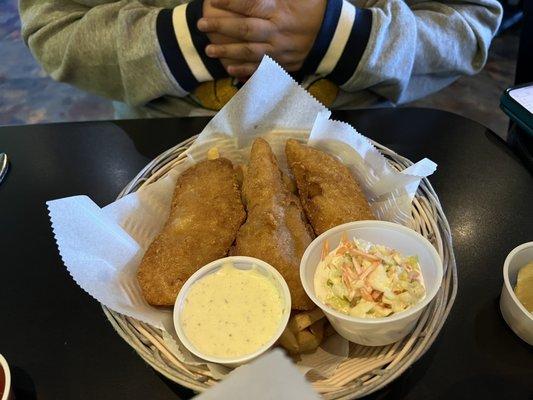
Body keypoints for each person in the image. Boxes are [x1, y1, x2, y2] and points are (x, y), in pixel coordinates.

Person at [19, 0, 502, 117]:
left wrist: (338, 36)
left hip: (367, 139)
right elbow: (53, 26)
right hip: (157, 142)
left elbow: (471, 23)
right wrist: (192, 39)